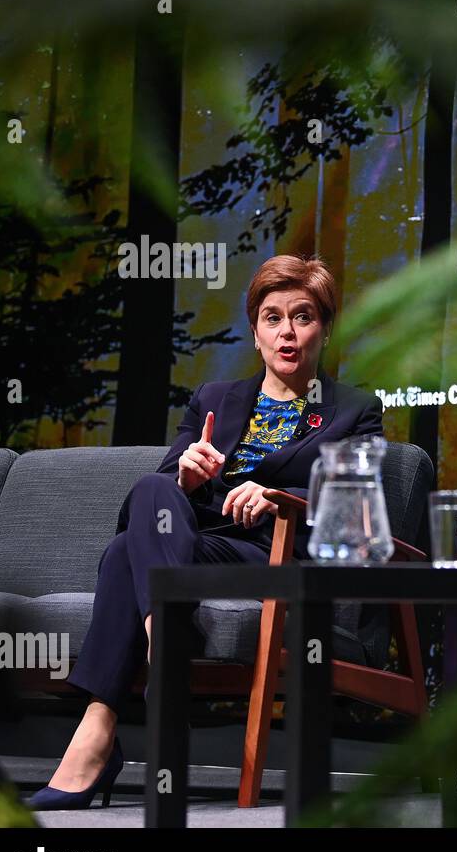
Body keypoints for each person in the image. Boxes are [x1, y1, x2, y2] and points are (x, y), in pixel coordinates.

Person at [28, 254, 386, 810]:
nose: (287, 332)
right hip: (195, 546)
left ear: (326, 327)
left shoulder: (354, 411)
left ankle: (96, 733)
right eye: (272, 318)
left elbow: (359, 511)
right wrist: (188, 476)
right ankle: (163, 641)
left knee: (126, 553)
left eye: (303, 316)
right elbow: (155, 497)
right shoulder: (215, 400)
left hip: (277, 558)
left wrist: (278, 499)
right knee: (154, 489)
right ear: (255, 331)